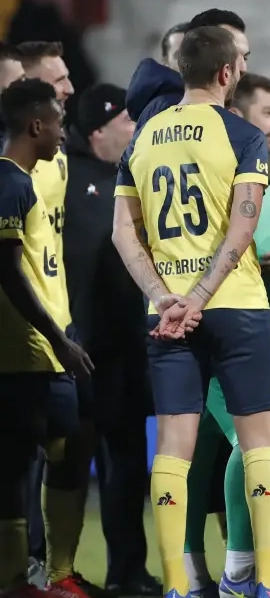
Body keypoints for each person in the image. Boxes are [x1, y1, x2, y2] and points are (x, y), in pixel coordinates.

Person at [110, 25, 270, 598]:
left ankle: (176, 586)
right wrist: (202, 294)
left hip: (165, 312)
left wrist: (164, 295)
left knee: (173, 448)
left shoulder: (143, 137)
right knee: (259, 442)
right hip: (233, 305)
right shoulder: (241, 135)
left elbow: (123, 232)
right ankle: (266, 582)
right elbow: (243, 228)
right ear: (226, 73)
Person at [182, 72, 270, 598]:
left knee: (249, 445)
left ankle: (219, 563)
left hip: (267, 322)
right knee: (236, 444)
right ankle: (236, 565)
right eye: (268, 112)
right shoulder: (225, 169)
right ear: (238, 115)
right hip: (225, 321)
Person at [60, 82, 161, 597]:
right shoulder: (62, 177)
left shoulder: (135, 180)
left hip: (124, 351)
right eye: (127, 120)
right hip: (70, 350)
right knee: (65, 468)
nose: (136, 128)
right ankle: (52, 569)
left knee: (126, 465)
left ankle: (128, 570)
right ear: (99, 129)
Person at [0, 77, 91, 598]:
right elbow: (8, 272)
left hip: (46, 347)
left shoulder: (30, 179)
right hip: (26, 351)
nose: (63, 132)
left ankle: (55, 573)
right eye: (58, 122)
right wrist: (57, 339)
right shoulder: (8, 182)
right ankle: (18, 578)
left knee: (67, 448)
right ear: (37, 125)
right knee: (19, 465)